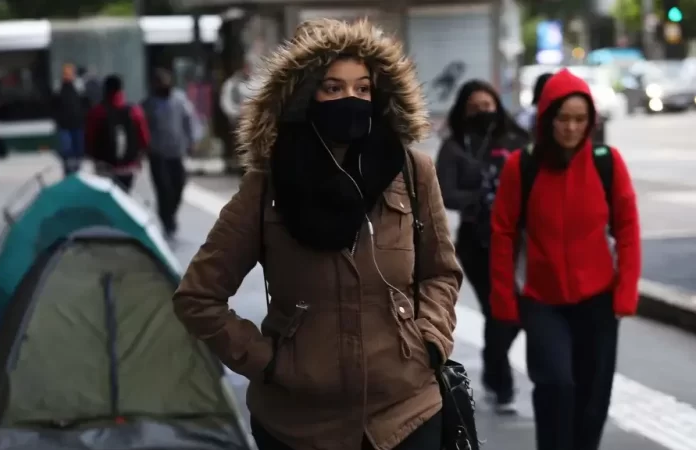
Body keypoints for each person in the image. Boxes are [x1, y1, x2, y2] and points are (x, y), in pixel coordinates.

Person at [172, 19, 462, 450]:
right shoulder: (268, 184)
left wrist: (430, 342)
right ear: (306, 96)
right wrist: (267, 362)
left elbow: (441, 273)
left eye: (363, 89)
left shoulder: (411, 172)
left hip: (406, 413)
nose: (351, 99)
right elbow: (198, 298)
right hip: (297, 426)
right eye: (333, 88)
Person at [490, 69, 641, 450]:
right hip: (543, 301)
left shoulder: (608, 162)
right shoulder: (521, 166)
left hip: (599, 301)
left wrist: (625, 292)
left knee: (592, 399)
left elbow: (627, 229)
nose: (572, 128)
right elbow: (503, 233)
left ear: (591, 121)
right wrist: (504, 299)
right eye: (563, 119)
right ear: (546, 118)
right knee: (556, 384)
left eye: (580, 119)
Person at [435, 79, 530, 414]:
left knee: (520, 312)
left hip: (521, 242)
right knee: (496, 309)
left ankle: (495, 367)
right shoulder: (455, 146)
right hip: (478, 243)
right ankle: (500, 381)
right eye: (474, 107)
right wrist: (484, 200)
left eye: (487, 105)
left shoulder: (517, 139)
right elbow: (445, 191)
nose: (481, 113)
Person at [142, 69, 194, 239]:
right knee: (163, 189)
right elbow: (142, 127)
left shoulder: (180, 99)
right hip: (158, 154)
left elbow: (188, 119)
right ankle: (167, 221)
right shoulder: (149, 104)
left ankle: (171, 213)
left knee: (179, 185)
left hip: (176, 152)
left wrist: (191, 140)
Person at [85, 74, 150, 192]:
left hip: (104, 166)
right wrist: (140, 158)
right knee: (124, 196)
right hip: (128, 166)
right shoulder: (135, 111)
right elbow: (144, 138)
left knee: (107, 198)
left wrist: (93, 157)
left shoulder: (96, 112)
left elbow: (90, 138)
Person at [219, 58, 256, 173]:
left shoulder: (256, 82)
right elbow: (226, 102)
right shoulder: (232, 84)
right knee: (239, 146)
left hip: (253, 120)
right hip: (238, 121)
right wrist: (237, 112)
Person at [53, 63, 88, 175]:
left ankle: (77, 172)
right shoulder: (58, 88)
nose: (67, 76)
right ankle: (68, 173)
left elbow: (85, 104)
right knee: (66, 152)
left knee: (77, 152)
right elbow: (54, 106)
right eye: (65, 73)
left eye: (69, 73)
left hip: (77, 125)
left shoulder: (79, 87)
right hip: (64, 126)